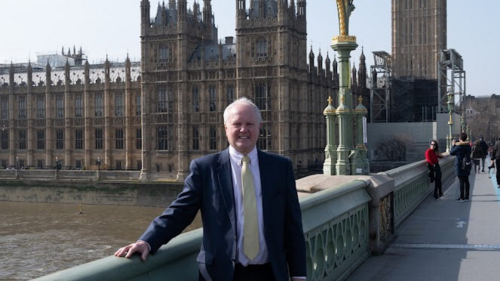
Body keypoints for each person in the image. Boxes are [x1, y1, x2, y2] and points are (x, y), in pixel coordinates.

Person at [114, 97, 307, 281]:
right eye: (237, 124)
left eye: (249, 124)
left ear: (259, 127)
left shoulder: (280, 167)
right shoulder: (205, 168)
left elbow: (293, 226)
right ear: (225, 128)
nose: (243, 130)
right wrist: (147, 241)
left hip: (270, 273)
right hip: (220, 274)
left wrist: (298, 274)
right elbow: (180, 212)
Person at [450, 133, 472, 202]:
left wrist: (453, 145)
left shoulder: (458, 147)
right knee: (466, 180)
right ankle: (467, 196)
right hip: (467, 164)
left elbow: (451, 153)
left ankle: (462, 197)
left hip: (459, 165)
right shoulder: (468, 146)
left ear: (460, 139)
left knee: (461, 181)